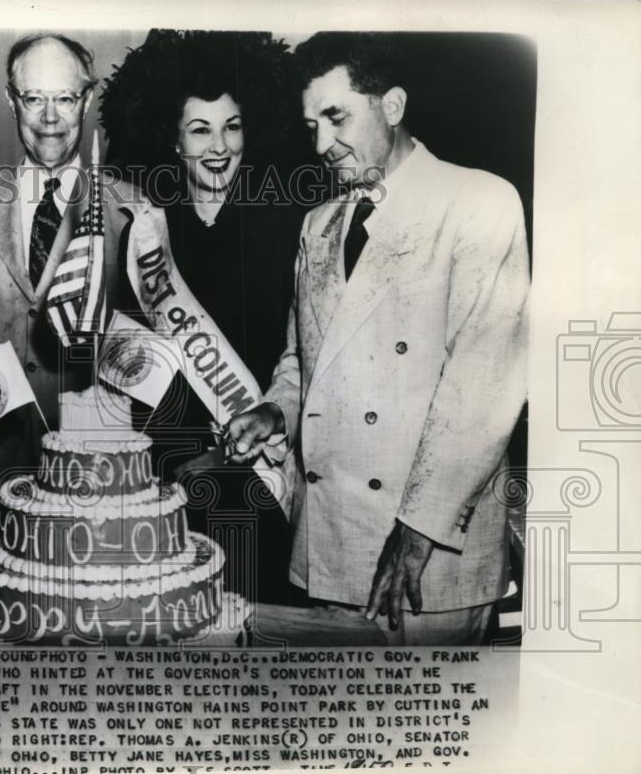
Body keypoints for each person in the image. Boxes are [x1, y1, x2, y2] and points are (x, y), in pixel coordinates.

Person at [227, 33, 530, 644]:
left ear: (391, 105)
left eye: (336, 117)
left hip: (428, 561)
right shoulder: (317, 225)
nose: (321, 144)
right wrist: (275, 409)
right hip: (329, 544)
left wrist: (418, 532)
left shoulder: (479, 202)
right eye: (311, 125)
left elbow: (483, 389)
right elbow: (303, 359)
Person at [99, 30, 305, 605]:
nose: (219, 146)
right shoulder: (147, 234)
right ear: (172, 140)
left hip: (265, 467)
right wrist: (189, 452)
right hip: (176, 473)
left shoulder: (289, 225)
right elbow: (130, 364)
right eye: (200, 130)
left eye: (231, 127)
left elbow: (303, 352)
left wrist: (261, 428)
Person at [0, 34, 139, 534]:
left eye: (65, 98)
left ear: (87, 101)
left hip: (95, 491)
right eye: (34, 98)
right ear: (11, 100)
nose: (50, 118)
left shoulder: (134, 212)